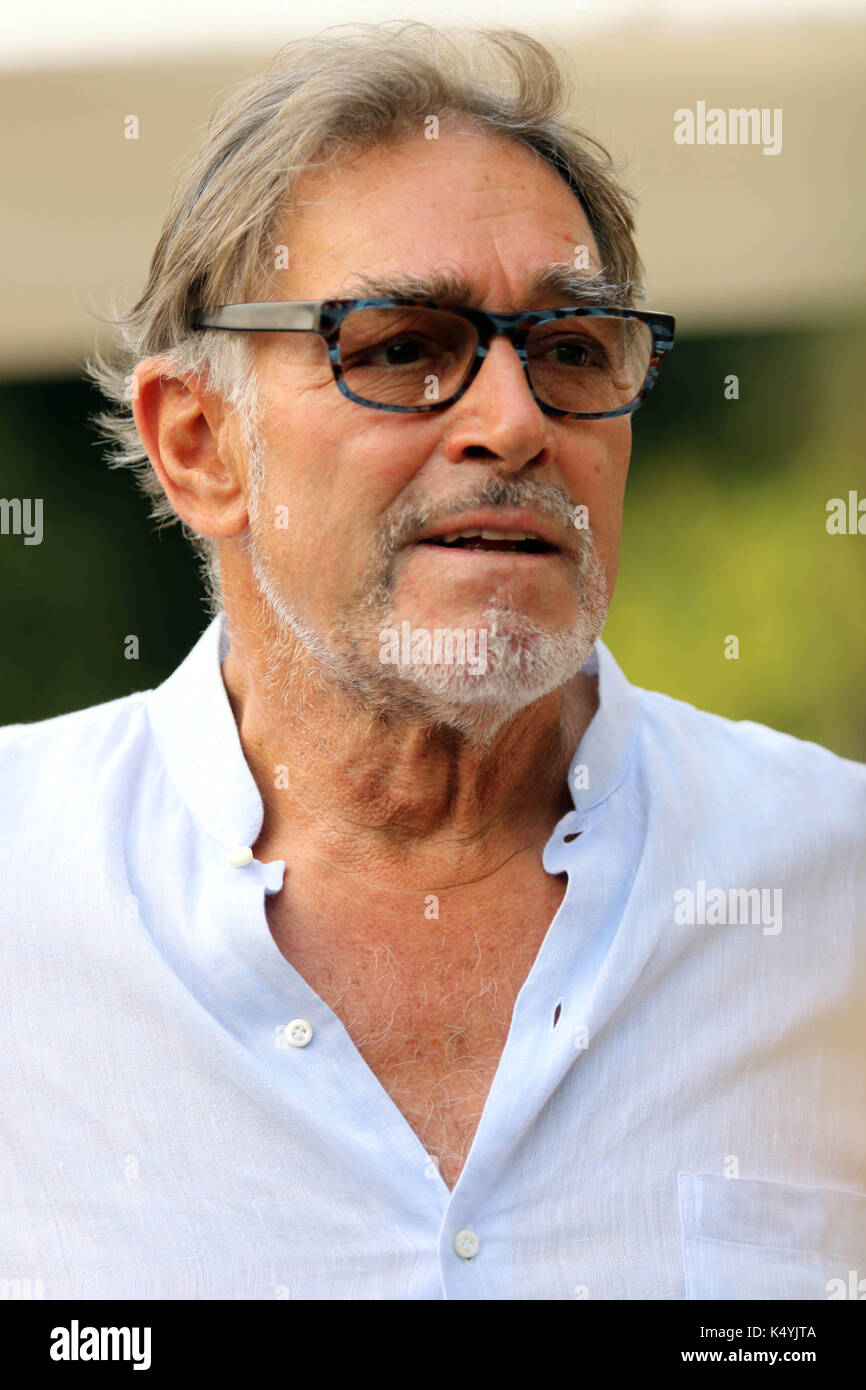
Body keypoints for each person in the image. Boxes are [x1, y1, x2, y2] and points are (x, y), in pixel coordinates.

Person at [1, 22, 864, 1301]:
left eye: (572, 351)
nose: (513, 421)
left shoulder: (831, 890)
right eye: (402, 345)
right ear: (199, 445)